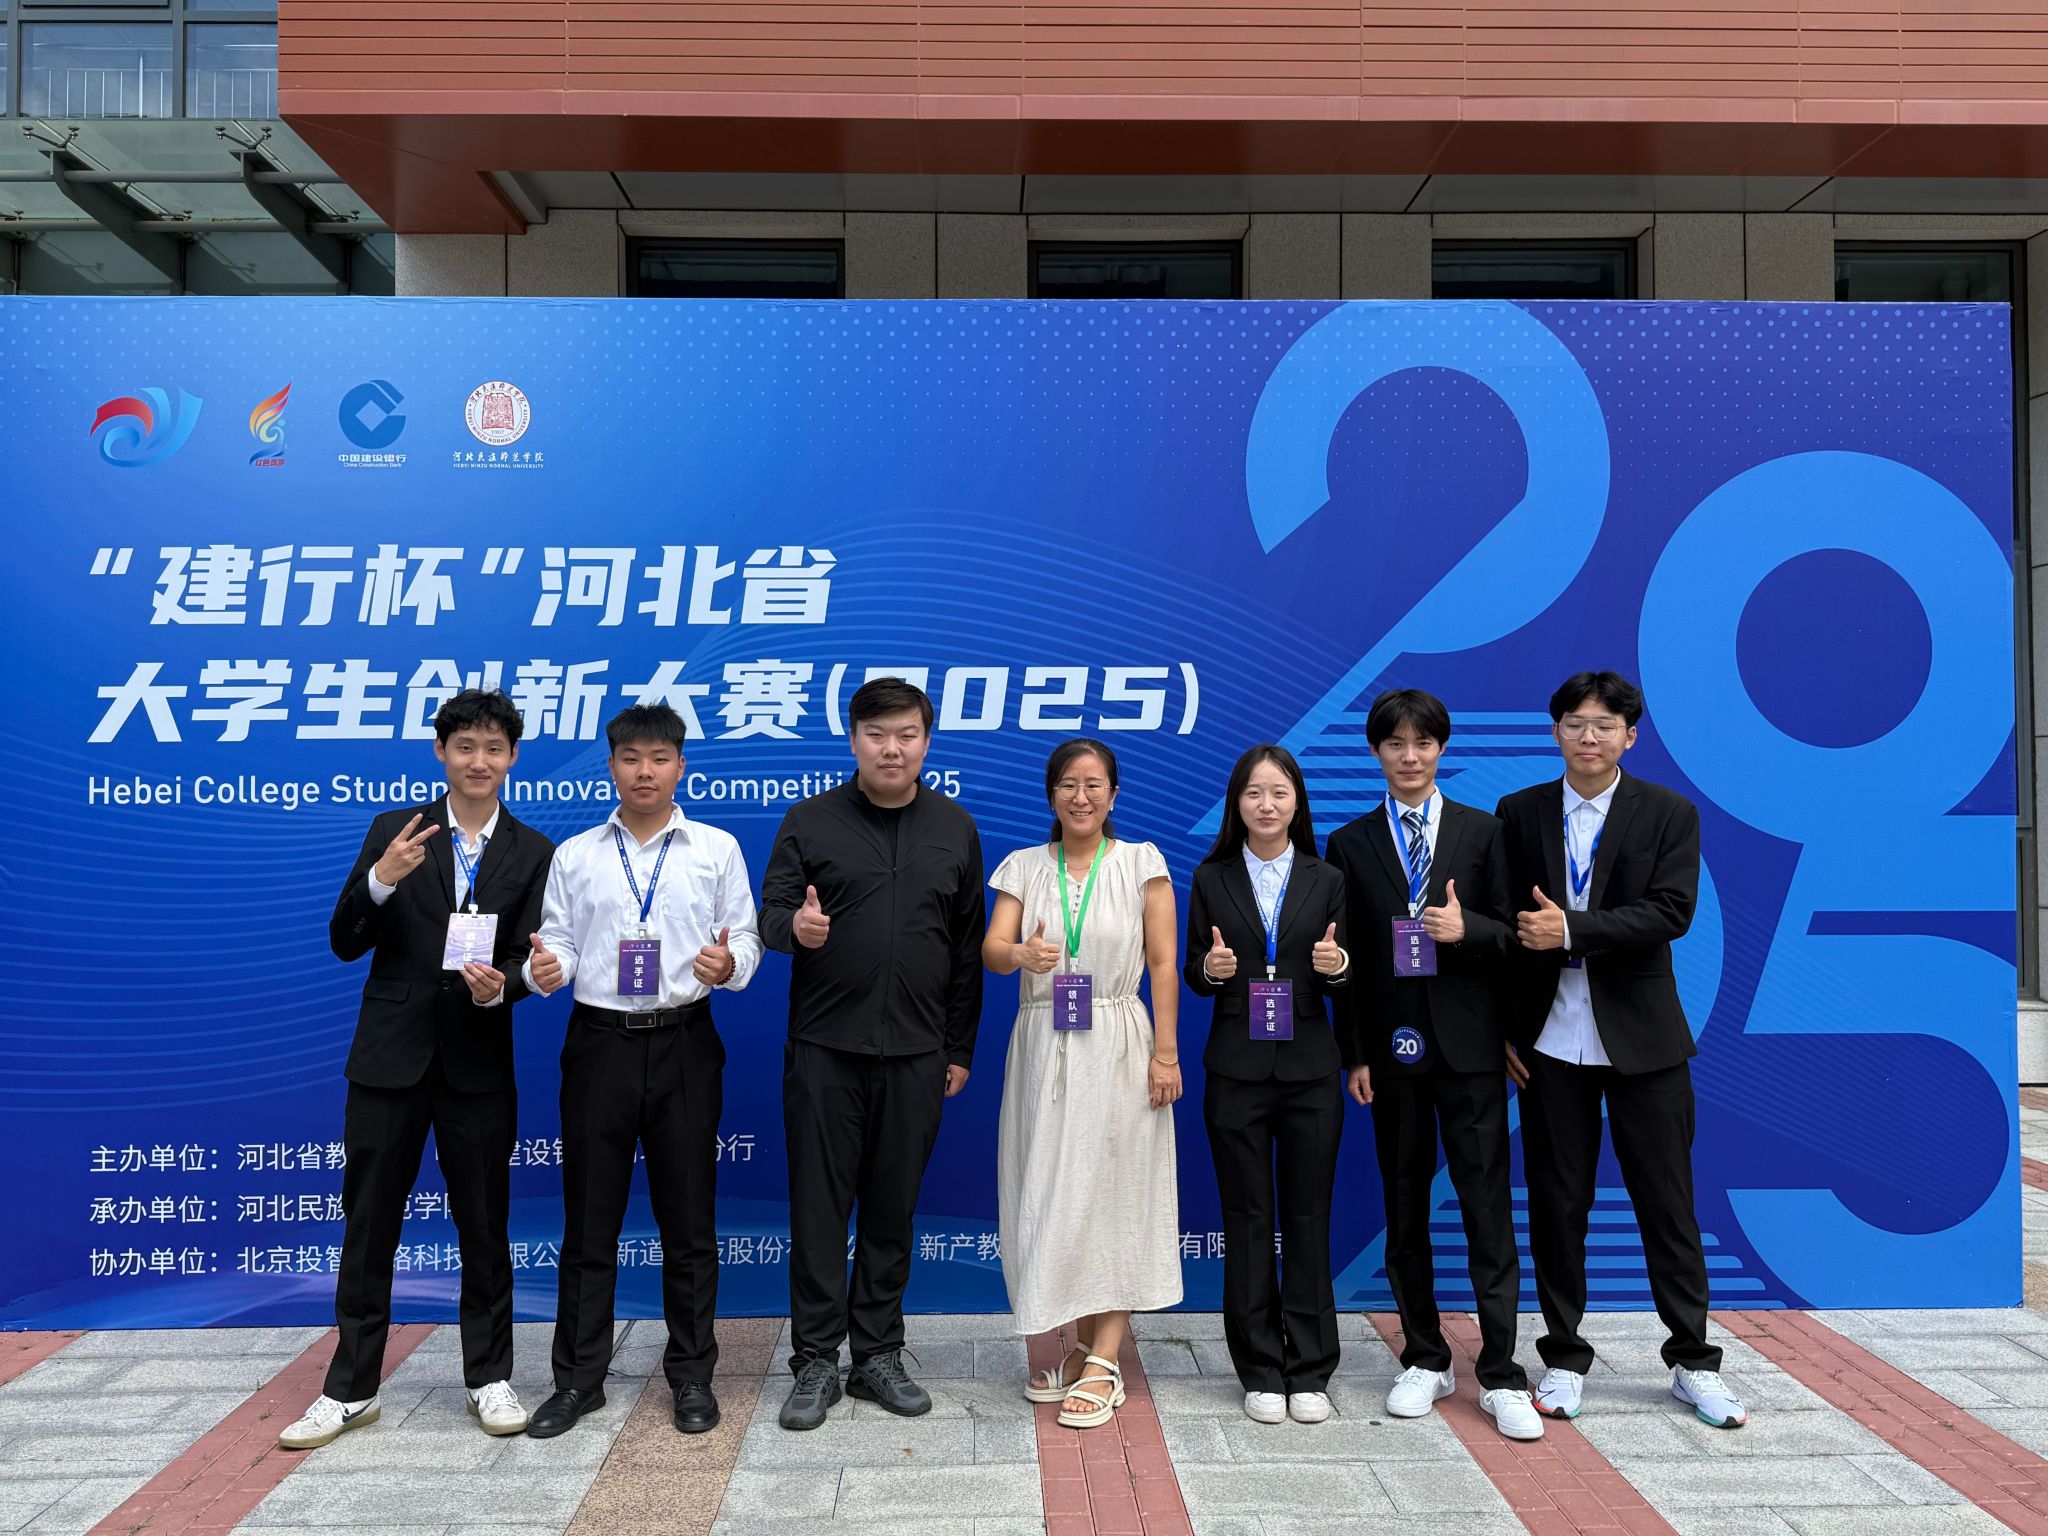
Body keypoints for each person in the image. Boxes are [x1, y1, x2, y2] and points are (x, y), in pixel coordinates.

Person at [282, 689, 553, 1450]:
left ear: (512, 758)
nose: (478, 761)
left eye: (493, 748)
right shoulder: (395, 832)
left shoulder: (534, 851)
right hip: (389, 1058)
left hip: (477, 1061)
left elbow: (530, 957)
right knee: (370, 1222)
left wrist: (506, 985)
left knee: (484, 1223)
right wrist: (382, 878)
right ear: (441, 752)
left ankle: (489, 1377)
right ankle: (350, 1390)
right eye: (465, 747)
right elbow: (345, 939)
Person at [1497, 671, 1745, 1430]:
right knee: (1557, 1205)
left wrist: (1572, 929)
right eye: (1575, 723)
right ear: (1556, 731)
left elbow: (1671, 911)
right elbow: (1502, 924)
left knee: (1667, 1204)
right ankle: (1564, 1358)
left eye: (1605, 725)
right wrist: (1504, 1026)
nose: (1589, 736)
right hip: (1549, 1042)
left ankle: (1694, 1362)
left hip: (1644, 1041)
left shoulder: (1668, 813)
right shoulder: (1519, 812)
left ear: (1629, 737)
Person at [519, 703, 762, 1439]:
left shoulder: (716, 848)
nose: (645, 771)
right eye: (631, 758)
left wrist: (729, 964)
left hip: (685, 1041)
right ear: (612, 767)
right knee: (589, 1221)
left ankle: (691, 1376)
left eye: (659, 758)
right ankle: (577, 1381)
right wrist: (545, 970)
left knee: (688, 1221)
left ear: (681, 766)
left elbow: (747, 937)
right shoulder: (577, 854)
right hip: (599, 1046)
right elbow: (556, 940)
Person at [760, 677, 986, 1431]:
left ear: (927, 741)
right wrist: (797, 930)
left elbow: (965, 950)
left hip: (918, 1052)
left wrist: (958, 1046)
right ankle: (815, 1361)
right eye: (878, 735)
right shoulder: (810, 820)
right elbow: (769, 914)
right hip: (825, 1049)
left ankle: (878, 1355)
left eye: (907, 735)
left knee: (892, 1209)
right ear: (853, 739)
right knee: (819, 1209)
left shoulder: (954, 827)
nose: (893, 749)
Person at [1324, 689, 1539, 1442]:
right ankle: (1424, 1356)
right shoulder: (1350, 843)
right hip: (1392, 1053)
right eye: (1395, 743)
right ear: (1376, 752)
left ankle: (1502, 1372)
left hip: (1472, 1050)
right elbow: (1344, 961)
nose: (1409, 756)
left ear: (1441, 749)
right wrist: (1354, 1051)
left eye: (1422, 743)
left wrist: (1465, 928)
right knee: (1404, 1203)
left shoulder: (1484, 832)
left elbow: (1515, 937)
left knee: (1486, 1208)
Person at [982, 738, 1183, 1430]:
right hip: (1044, 1044)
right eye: (1068, 784)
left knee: (1117, 1188)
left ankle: (1104, 1357)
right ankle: (1075, 1344)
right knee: (1053, 1190)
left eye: (1094, 784)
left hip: (1120, 1039)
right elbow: (992, 951)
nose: (1081, 796)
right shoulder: (1023, 866)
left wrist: (1165, 1054)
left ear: (1114, 795)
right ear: (1052, 795)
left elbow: (1163, 962)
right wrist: (1021, 953)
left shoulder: (1141, 863)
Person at [1184, 744, 1350, 1426]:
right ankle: (1259, 1369)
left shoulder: (1327, 876)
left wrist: (1337, 965)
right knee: (1248, 1220)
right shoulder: (1211, 876)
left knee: (1308, 1219)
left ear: (1297, 801)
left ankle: (1309, 1369)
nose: (1267, 804)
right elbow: (1194, 970)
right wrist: (1212, 970)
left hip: (1311, 1069)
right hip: (1236, 1069)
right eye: (1254, 792)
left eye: (1279, 792)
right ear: (1238, 803)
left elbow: (1348, 970)